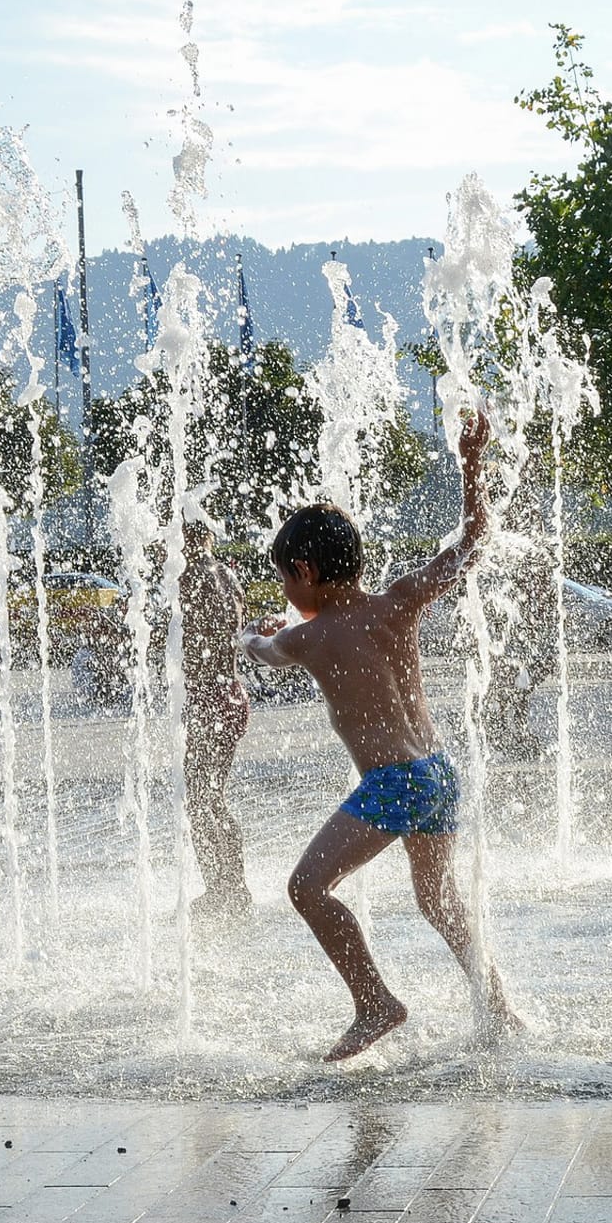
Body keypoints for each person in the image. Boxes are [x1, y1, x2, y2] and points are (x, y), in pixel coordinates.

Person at [240, 411, 520, 1061]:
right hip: (438, 772)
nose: (286, 590)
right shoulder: (400, 600)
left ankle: (374, 1003)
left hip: (394, 782)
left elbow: (267, 651)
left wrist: (246, 635)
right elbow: (476, 540)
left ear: (304, 572)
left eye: (286, 579)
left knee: (307, 888)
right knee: (438, 900)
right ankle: (499, 1009)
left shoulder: (308, 636)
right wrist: (470, 463)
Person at [180, 521, 253, 922]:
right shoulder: (227, 575)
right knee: (211, 796)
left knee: (200, 799)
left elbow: (184, 638)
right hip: (230, 694)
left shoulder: (190, 577)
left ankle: (223, 889)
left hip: (208, 701)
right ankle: (232, 886)